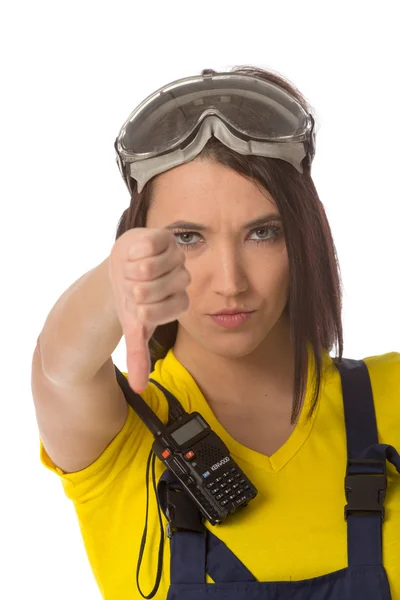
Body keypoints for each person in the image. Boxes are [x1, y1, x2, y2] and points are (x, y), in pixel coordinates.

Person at [31, 66, 400, 600]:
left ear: (303, 239)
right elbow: (57, 368)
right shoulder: (119, 435)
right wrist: (111, 285)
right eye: (187, 238)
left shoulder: (391, 398)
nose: (230, 283)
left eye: (263, 233)